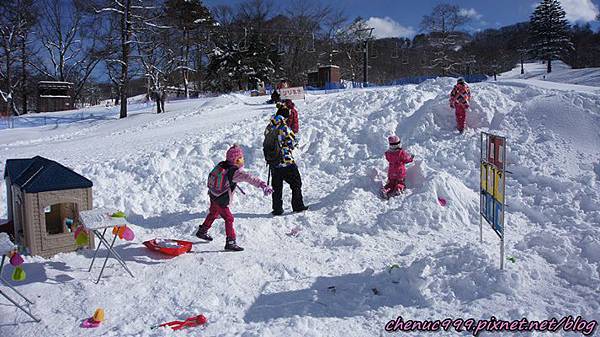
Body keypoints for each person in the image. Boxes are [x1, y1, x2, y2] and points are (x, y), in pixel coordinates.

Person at [196, 144, 273, 251]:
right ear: (235, 160)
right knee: (229, 218)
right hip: (221, 199)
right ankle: (230, 242)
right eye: (240, 158)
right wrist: (262, 185)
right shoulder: (235, 172)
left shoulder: (223, 165)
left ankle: (202, 231)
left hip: (213, 195)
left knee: (213, 213)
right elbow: (249, 178)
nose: (243, 159)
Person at [263, 108, 308, 215]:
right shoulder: (284, 127)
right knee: (296, 183)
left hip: (274, 162)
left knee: (277, 187)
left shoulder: (269, 127)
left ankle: (277, 209)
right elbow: (292, 142)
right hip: (286, 161)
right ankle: (298, 206)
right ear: (285, 117)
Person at [382, 135, 414, 199]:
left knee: (391, 183)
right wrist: (411, 158)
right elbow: (406, 159)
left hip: (391, 172)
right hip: (400, 172)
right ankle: (398, 189)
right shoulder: (401, 153)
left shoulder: (388, 153)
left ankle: (386, 190)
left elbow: (388, 159)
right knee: (400, 182)